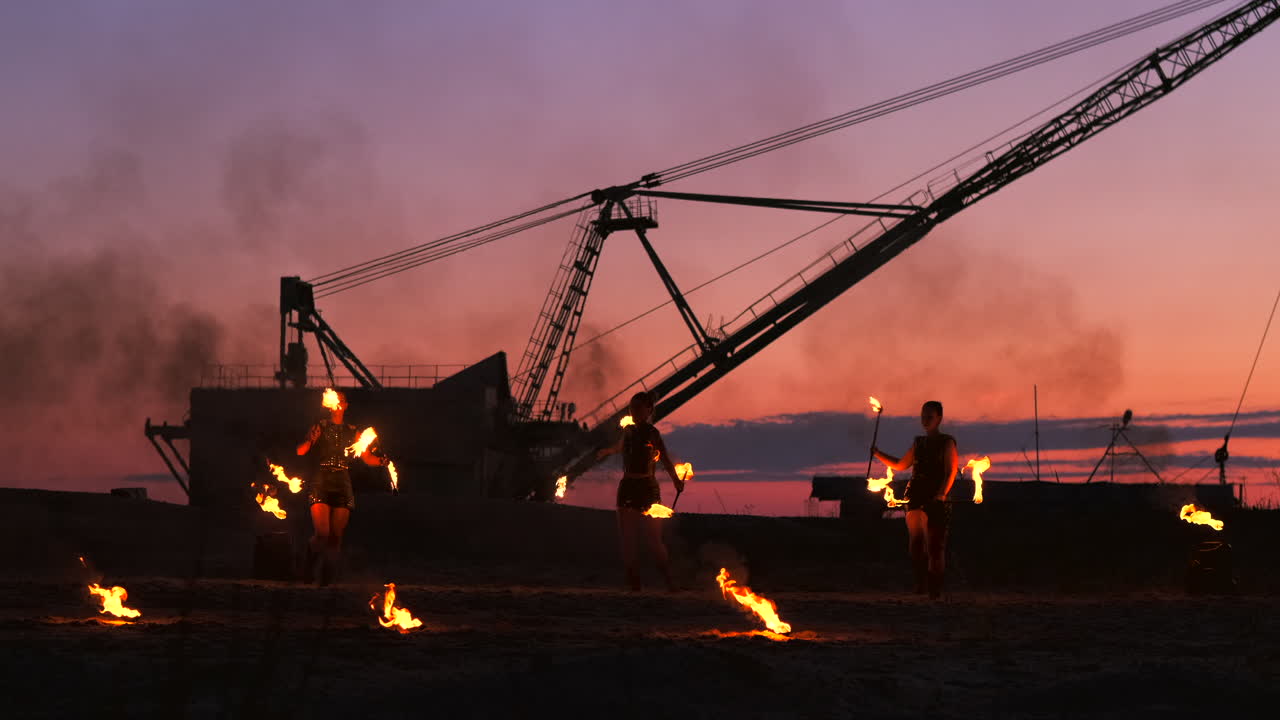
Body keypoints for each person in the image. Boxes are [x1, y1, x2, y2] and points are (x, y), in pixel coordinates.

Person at [596, 391, 686, 591]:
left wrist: (676, 481)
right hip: (626, 487)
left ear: (648, 410)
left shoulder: (652, 433)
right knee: (627, 539)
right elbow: (621, 446)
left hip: (647, 489)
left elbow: (664, 459)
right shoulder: (627, 430)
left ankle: (669, 582)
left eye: (638, 408)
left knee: (654, 540)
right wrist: (607, 451)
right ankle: (634, 584)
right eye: (631, 407)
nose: (633, 411)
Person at [295, 390, 386, 585]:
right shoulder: (319, 426)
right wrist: (310, 439)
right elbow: (300, 451)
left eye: (342, 400)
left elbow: (367, 458)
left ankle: (327, 579)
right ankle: (308, 568)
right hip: (321, 480)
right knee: (322, 535)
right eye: (336, 399)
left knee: (336, 537)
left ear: (345, 406)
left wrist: (381, 461)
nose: (338, 402)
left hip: (343, 482)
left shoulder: (354, 432)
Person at [872, 400, 958, 599]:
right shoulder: (919, 442)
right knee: (917, 541)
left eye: (930, 416)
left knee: (936, 544)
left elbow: (950, 471)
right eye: (923, 416)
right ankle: (920, 582)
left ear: (939, 418)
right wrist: (878, 454)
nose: (925, 420)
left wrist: (942, 494)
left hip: (937, 495)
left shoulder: (947, 442)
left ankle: (935, 587)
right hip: (916, 493)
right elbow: (901, 465)